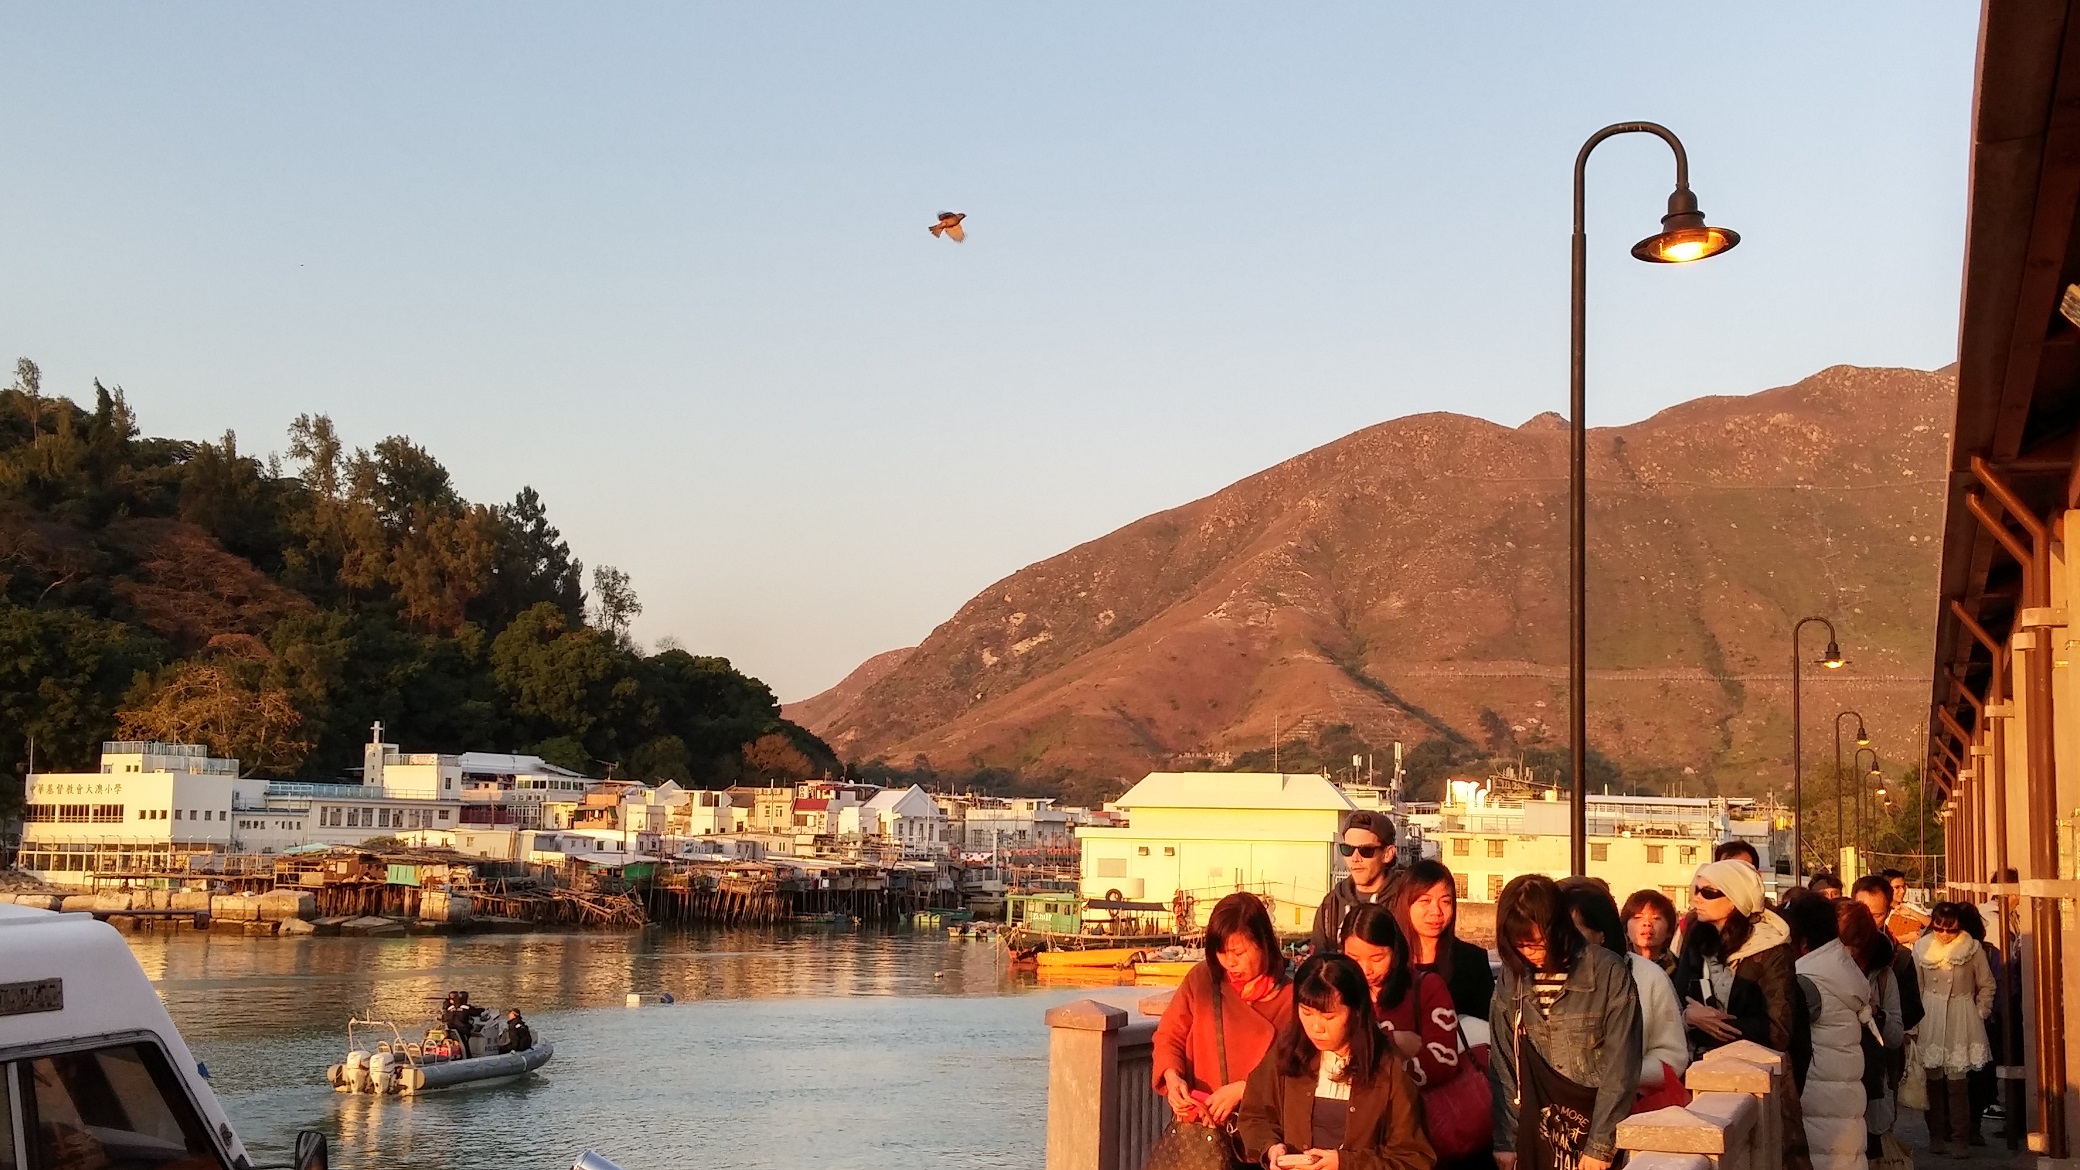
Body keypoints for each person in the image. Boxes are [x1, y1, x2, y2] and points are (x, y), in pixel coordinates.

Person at [1487, 875, 1641, 1170]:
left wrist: (1600, 1146)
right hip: (1536, 1131)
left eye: (1537, 943)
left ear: (1558, 926)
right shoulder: (1512, 977)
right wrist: (1505, 1141)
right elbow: (1504, 1065)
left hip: (1591, 1126)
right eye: (1520, 945)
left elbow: (1621, 1068)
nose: (1530, 954)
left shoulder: (1609, 972)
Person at [1671, 859, 1811, 1170]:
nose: (1696, 898)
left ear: (1736, 897)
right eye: (1695, 889)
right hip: (1700, 1075)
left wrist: (1714, 1023)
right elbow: (1676, 1001)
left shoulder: (1772, 948)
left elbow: (1779, 1030)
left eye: (1709, 892)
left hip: (1758, 1076)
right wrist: (1688, 1017)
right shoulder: (1696, 939)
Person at [1237, 953, 1436, 1170]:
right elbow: (1254, 1116)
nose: (1316, 1027)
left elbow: (1414, 1158)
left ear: (1356, 1013)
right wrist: (1271, 1148)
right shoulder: (1288, 1054)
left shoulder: (1387, 1068)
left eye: (1329, 1016)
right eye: (1307, 1013)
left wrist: (1345, 1163)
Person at [1155, 892, 1296, 1130]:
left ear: (1263, 942)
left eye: (1239, 953)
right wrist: (1172, 1076)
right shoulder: (1202, 981)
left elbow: (1300, 1072)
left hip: (1264, 1137)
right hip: (1202, 1131)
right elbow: (1170, 1035)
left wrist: (1245, 1089)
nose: (1230, 963)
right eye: (1222, 953)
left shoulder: (1293, 997)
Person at [1564, 880, 1687, 1109]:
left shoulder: (1647, 976)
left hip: (1628, 1111)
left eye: (1574, 932)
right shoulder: (1534, 980)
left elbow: (1672, 1057)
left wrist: (1614, 1077)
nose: (1562, 942)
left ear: (1601, 933)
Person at [1782, 890, 1871, 1170]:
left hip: (1818, 1113)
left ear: (1803, 944)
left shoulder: (1808, 982)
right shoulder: (1840, 971)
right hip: (1841, 1111)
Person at [1340, 905, 1463, 1091]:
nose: (1366, 970)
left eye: (1377, 958)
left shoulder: (1427, 987)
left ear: (1395, 951)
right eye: (1354, 958)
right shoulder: (1336, 990)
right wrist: (1392, 1040)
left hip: (1413, 1113)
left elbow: (1444, 1063)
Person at [1913, 902, 1995, 1158]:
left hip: (1962, 1016)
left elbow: (1987, 984)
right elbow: (1916, 987)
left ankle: (1960, 1138)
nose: (1944, 935)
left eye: (1951, 930)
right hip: (1930, 1014)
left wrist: (1980, 1012)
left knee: (1958, 1083)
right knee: (1933, 1081)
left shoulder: (1972, 949)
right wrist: (1914, 1023)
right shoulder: (1921, 948)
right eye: (1939, 929)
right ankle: (1936, 1135)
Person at [1836, 899, 1903, 1162]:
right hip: (1833, 1086)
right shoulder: (1817, 974)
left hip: (1871, 1084)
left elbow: (1896, 1036)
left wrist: (1877, 1015)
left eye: (1854, 942)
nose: (1847, 950)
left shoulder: (1884, 977)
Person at [1395, 859, 1495, 1021]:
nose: (1436, 911)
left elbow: (1485, 1026)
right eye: (1425, 901)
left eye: (1445, 901)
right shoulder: (1389, 959)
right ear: (1406, 904)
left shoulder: (1473, 961)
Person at [1312, 811, 1402, 955]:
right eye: (1347, 849)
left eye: (1365, 850)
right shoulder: (1331, 905)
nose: (1355, 858)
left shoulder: (1407, 901)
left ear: (1387, 854)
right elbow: (1320, 962)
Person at [1848, 876, 1923, 1040]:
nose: (1867, 921)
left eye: (1876, 915)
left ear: (1888, 913)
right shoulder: (1834, 953)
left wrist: (1878, 1014)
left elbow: (1912, 1014)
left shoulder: (1901, 957)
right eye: (1861, 913)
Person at [1953, 902, 2000, 1148]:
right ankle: (1971, 1127)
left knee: (1956, 1075)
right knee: (1978, 1077)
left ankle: (1960, 1126)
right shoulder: (1991, 952)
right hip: (1981, 1023)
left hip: (1960, 1022)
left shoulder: (1982, 953)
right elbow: (2000, 987)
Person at [1621, 889, 1680, 978]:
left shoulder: (1682, 970)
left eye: (1656, 918)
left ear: (1669, 930)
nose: (1647, 923)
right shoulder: (1616, 966)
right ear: (1626, 928)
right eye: (1638, 917)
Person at [1880, 870, 1927, 946]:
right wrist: (1906, 938)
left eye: (1903, 886)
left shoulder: (1909, 907)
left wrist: (1912, 913)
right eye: (1897, 887)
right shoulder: (1878, 912)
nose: (1902, 891)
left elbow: (1932, 924)